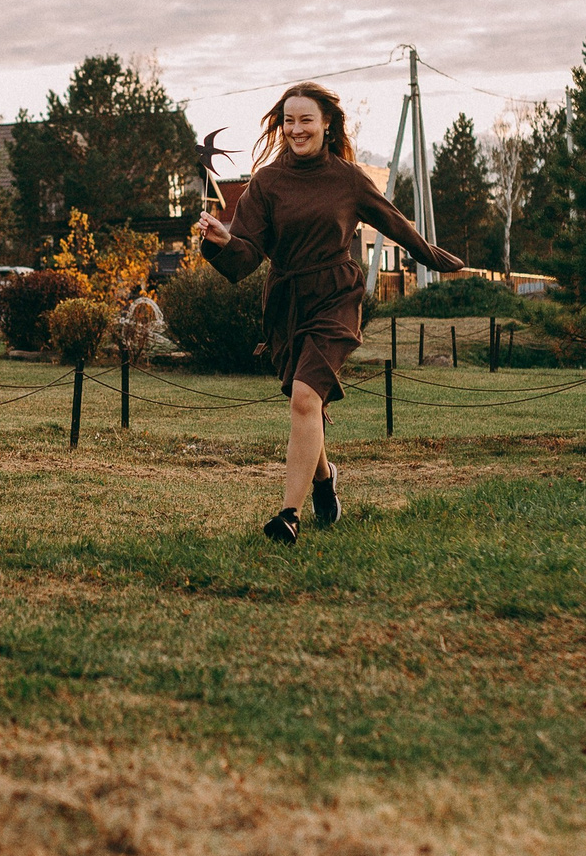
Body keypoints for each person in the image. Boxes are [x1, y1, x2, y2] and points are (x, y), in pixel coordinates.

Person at [195, 82, 461, 544]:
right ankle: (323, 480)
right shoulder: (266, 183)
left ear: (326, 124)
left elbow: (395, 222)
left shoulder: (349, 178)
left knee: (304, 396)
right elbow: (248, 254)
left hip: (335, 296)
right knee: (306, 402)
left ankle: (288, 515)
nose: (296, 129)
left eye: (306, 120)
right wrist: (221, 241)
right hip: (286, 301)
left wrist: (434, 257)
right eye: (289, 121)